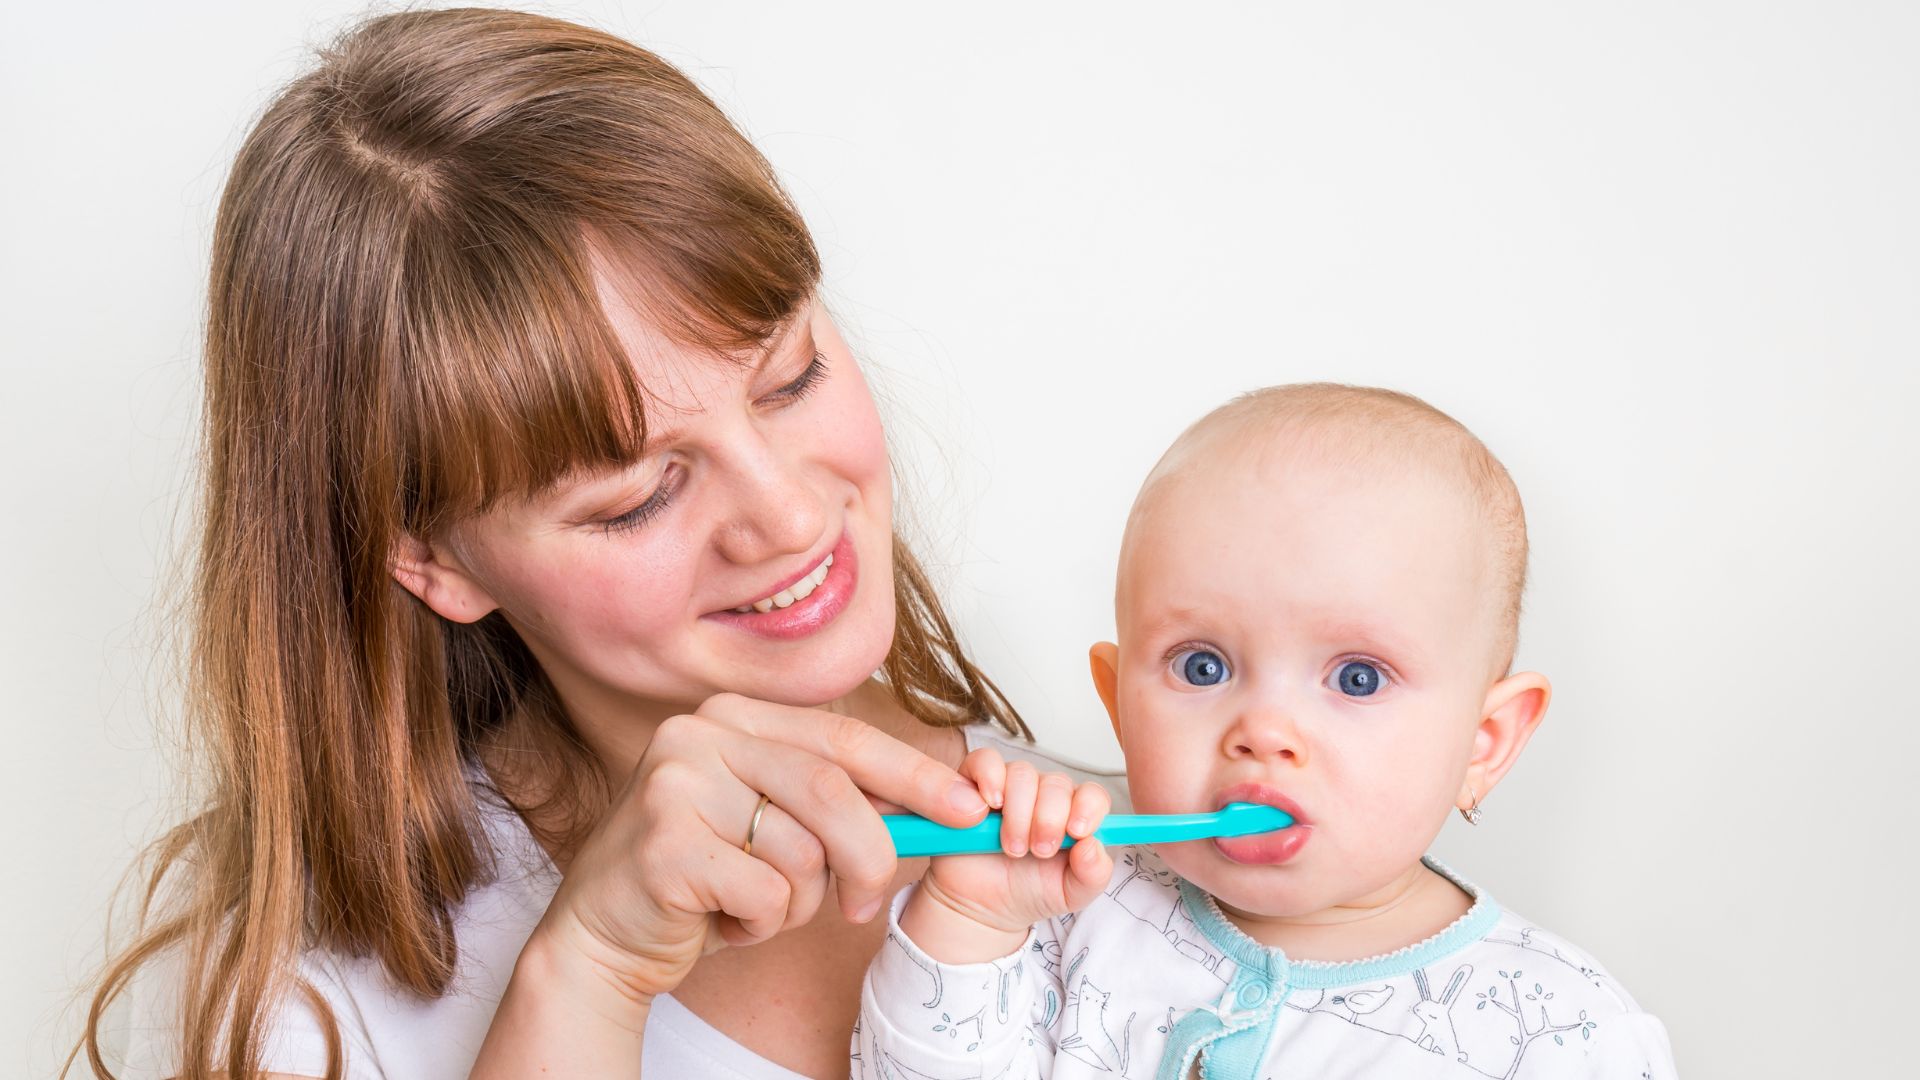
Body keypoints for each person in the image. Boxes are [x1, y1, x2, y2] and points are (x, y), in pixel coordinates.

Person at [73, 8, 1126, 1079]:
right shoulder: (305, 1006)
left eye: (792, 377)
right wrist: (587, 972)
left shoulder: (1152, 864)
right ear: (430, 557)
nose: (793, 516)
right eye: (637, 495)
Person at [854, 384, 1678, 1078]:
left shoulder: (1566, 1034)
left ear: (1483, 743)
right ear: (1118, 703)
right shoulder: (1060, 909)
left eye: (1357, 678)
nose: (1264, 732)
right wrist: (968, 921)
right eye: (1202, 667)